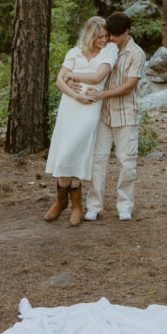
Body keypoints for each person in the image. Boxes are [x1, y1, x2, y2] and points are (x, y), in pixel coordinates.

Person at [43, 17, 118, 226]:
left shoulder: (109, 50)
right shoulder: (74, 52)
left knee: (76, 149)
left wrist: (72, 76)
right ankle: (62, 202)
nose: (103, 40)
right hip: (71, 105)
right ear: (90, 36)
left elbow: (96, 77)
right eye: (99, 37)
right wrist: (75, 94)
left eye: (105, 36)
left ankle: (76, 204)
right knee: (66, 150)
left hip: (90, 108)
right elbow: (59, 80)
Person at [79, 11, 146, 222]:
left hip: (126, 115)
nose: (111, 39)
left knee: (127, 162)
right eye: (109, 35)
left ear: (127, 32)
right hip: (102, 115)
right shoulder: (106, 48)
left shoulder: (137, 54)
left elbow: (129, 85)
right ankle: (94, 205)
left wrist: (101, 95)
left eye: (115, 35)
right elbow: (89, 69)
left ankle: (124, 206)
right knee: (97, 160)